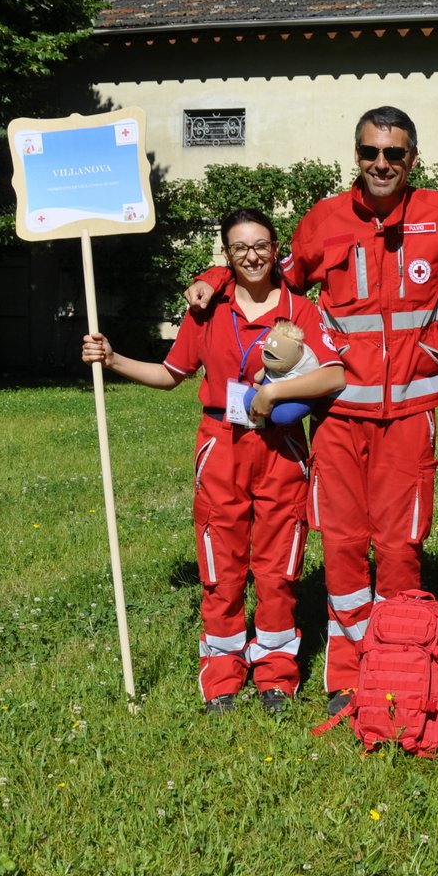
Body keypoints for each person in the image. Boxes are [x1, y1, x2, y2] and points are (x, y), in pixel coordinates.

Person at [185, 107, 438, 714]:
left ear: (413, 159)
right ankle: (349, 671)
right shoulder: (321, 222)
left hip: (410, 414)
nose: (382, 164)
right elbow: (272, 276)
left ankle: (398, 661)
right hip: (337, 414)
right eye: (371, 153)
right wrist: (217, 271)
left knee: (402, 546)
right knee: (346, 544)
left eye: (394, 154)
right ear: (356, 156)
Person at [85, 209, 345, 714]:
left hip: (280, 447)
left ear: (276, 250)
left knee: (278, 566)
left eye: (261, 245)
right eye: (240, 248)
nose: (252, 256)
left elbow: (333, 375)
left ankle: (276, 674)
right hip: (221, 444)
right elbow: (170, 374)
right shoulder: (208, 311)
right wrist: (113, 360)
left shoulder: (301, 310)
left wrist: (277, 395)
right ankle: (222, 676)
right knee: (220, 564)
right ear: (226, 255)